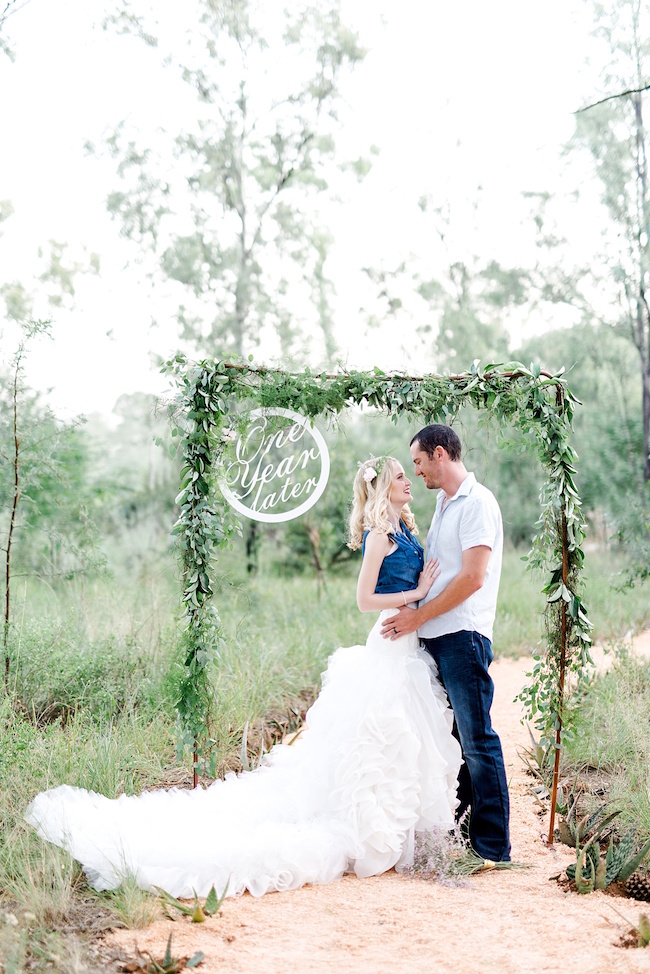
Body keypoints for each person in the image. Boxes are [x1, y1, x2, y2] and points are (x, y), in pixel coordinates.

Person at [25, 457, 461, 899]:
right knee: (381, 737)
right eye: (402, 476)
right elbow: (365, 600)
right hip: (388, 638)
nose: (409, 480)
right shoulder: (379, 537)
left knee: (402, 737)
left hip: (407, 646)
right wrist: (419, 595)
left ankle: (403, 830)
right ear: (384, 486)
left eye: (410, 474)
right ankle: (371, 830)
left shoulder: (404, 527)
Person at [380, 425, 510, 862]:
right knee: (451, 742)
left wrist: (418, 615)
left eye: (417, 462)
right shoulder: (442, 505)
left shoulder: (477, 504)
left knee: (476, 739)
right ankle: (464, 835)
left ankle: (492, 848)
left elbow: (472, 578)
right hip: (435, 637)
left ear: (439, 454)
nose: (416, 472)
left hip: (463, 636)